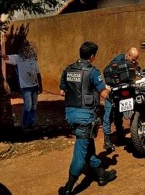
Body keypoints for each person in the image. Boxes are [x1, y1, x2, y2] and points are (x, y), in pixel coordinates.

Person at [58, 41, 116, 195]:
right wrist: (111, 91)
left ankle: (101, 175)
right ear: (92, 56)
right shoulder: (92, 71)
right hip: (85, 117)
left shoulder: (68, 69)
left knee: (88, 147)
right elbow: (103, 94)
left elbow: (62, 92)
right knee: (80, 154)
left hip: (70, 115)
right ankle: (69, 188)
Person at [102, 47, 139, 151]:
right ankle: (107, 141)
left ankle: (120, 136)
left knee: (118, 113)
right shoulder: (116, 61)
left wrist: (135, 66)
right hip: (112, 90)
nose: (134, 61)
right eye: (133, 58)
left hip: (123, 90)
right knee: (108, 114)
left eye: (136, 59)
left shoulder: (130, 63)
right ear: (127, 55)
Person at [2, 41, 43, 128]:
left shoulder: (33, 60)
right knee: (28, 106)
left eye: (29, 48)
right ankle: (25, 123)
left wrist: (40, 86)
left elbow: (38, 74)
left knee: (34, 106)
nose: (27, 50)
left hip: (34, 87)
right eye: (25, 48)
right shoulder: (18, 58)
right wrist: (0, 54)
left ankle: (31, 123)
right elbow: (6, 58)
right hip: (25, 88)